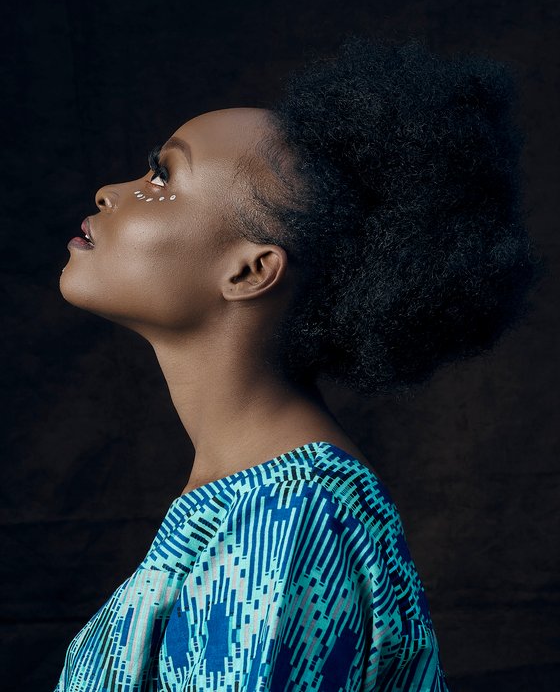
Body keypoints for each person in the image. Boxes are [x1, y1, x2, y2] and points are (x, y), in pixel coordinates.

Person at [55, 35, 543, 690]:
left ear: (251, 269)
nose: (111, 191)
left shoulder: (291, 516)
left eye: (163, 176)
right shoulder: (254, 497)